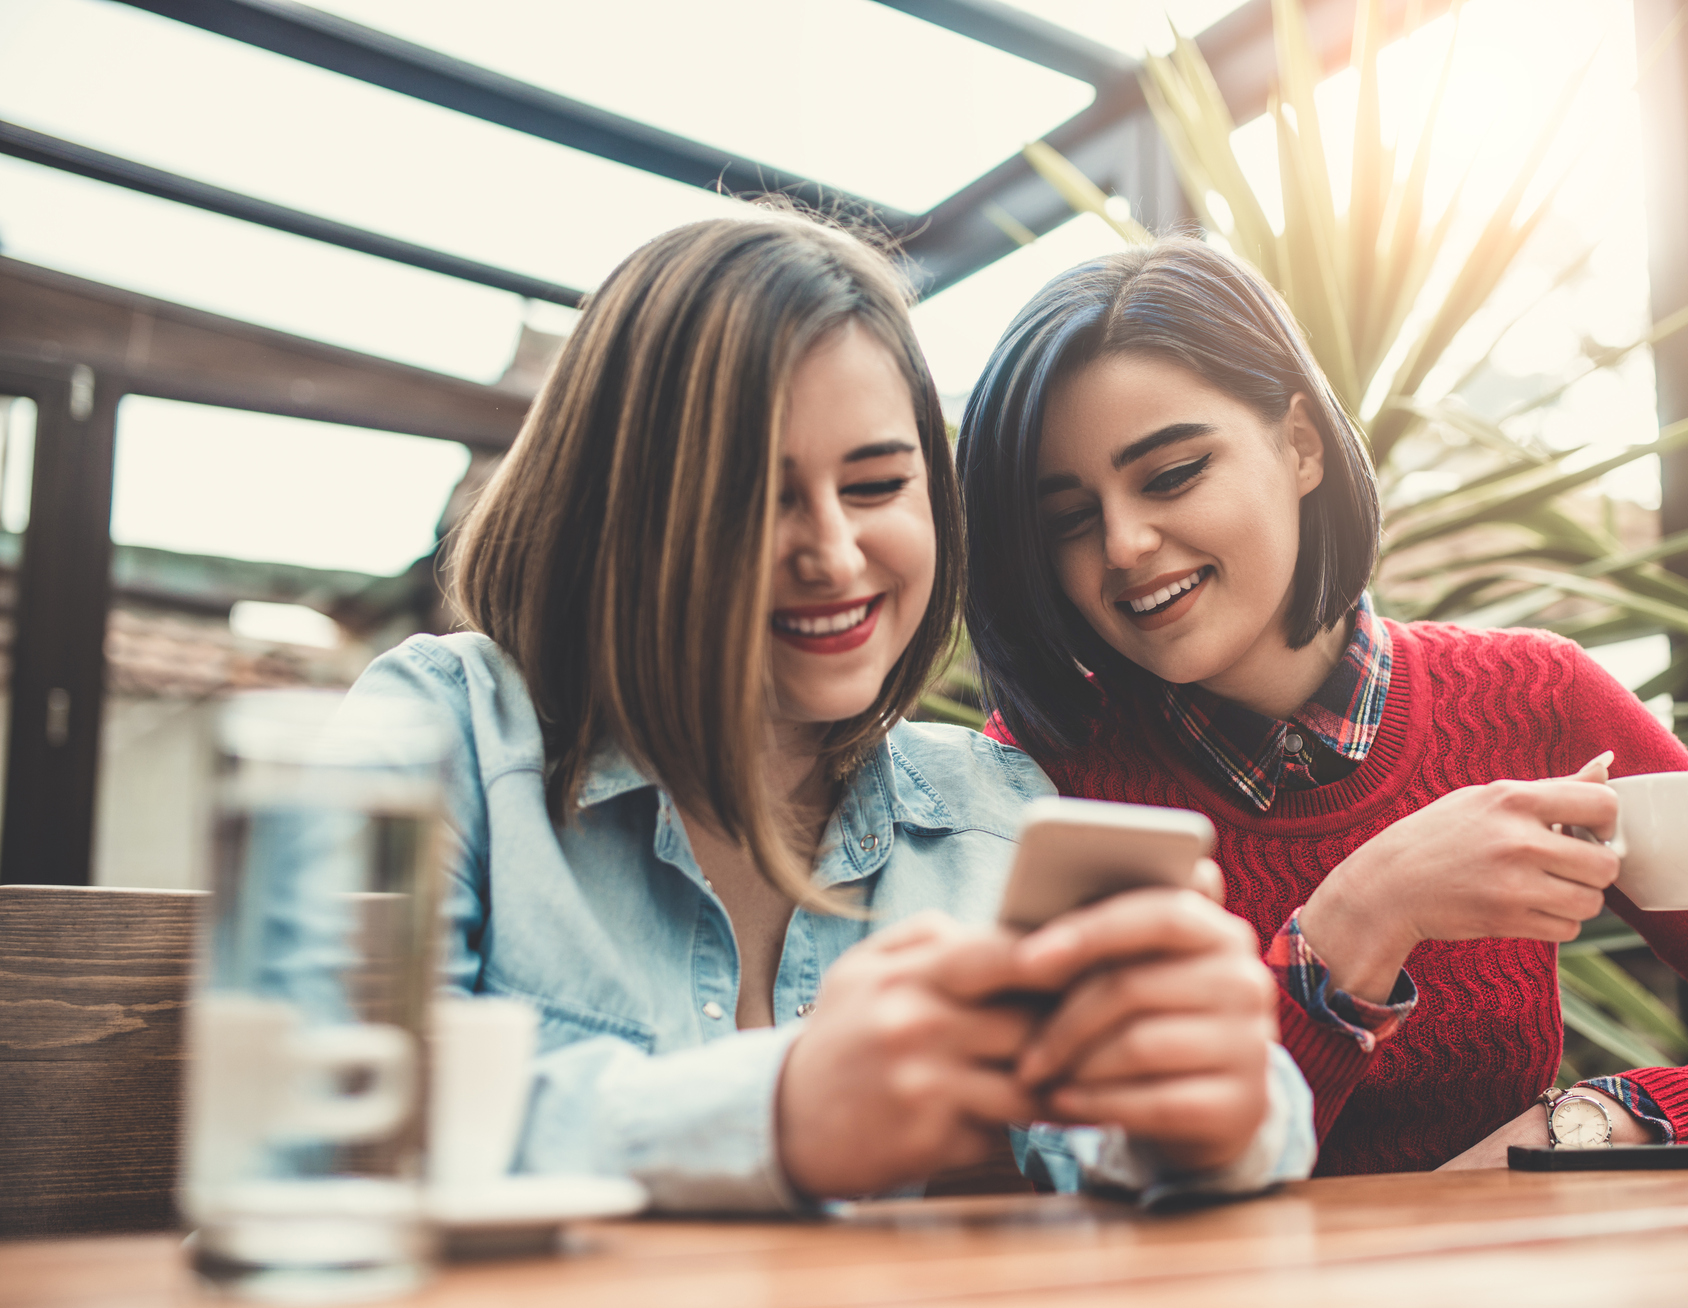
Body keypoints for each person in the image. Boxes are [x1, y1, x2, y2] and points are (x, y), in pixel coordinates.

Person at [346, 213, 1313, 1210]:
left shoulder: (989, 811)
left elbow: (1151, 1128)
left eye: (877, 483)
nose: (836, 555)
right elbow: (330, 1104)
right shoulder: (443, 730)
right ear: (621, 509)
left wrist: (1208, 1104)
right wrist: (778, 1111)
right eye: (755, 496)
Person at [954, 238, 1688, 1174]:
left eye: (1171, 474)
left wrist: (1585, 1124)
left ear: (1300, 446)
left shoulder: (1535, 700)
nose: (1123, 543)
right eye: (1069, 519)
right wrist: (1360, 915)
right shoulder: (1036, 773)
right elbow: (1128, 1176)